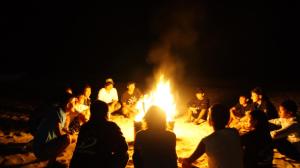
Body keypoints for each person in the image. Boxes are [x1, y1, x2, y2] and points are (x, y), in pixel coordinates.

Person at [182, 104, 243, 168]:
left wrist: (186, 161)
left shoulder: (206, 142)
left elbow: (188, 161)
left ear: (210, 120)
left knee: (185, 165)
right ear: (227, 119)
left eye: (209, 115)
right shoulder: (234, 132)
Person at [70, 100, 129, 168]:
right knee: (125, 155)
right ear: (106, 113)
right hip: (97, 164)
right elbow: (124, 147)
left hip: (77, 164)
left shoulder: (84, 126)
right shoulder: (110, 126)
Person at [32, 92, 76, 166]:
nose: (75, 104)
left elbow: (59, 127)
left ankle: (52, 159)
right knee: (67, 139)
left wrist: (68, 131)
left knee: (71, 138)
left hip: (40, 147)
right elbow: (58, 132)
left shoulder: (60, 111)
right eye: (74, 102)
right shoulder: (59, 112)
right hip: (41, 150)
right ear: (68, 104)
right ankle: (51, 162)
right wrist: (68, 135)